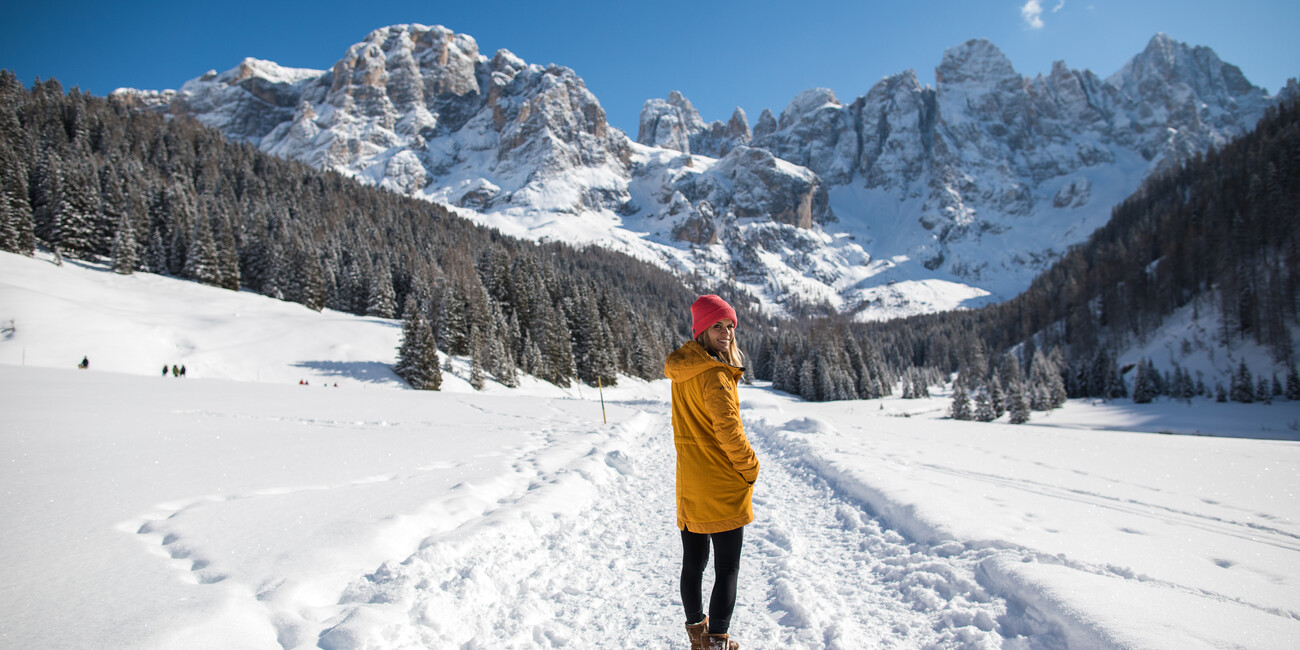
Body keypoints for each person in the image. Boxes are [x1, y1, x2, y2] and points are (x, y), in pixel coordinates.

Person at [665, 295, 759, 650]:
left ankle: (697, 637)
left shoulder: (683, 369)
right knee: (727, 569)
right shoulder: (717, 375)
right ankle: (717, 641)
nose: (726, 333)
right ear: (701, 329)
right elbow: (729, 432)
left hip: (690, 482)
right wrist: (750, 468)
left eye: (730, 325)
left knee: (693, 563)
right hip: (721, 483)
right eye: (717, 325)